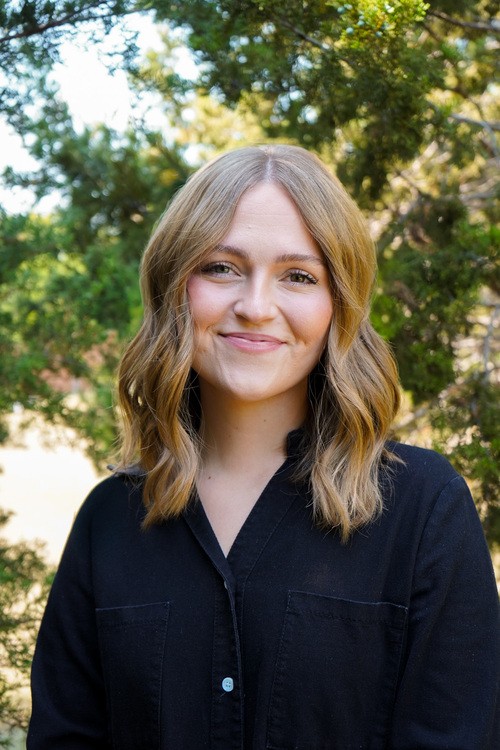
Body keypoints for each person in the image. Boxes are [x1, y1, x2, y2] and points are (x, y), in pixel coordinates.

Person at [28, 145, 499, 749]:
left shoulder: (424, 510)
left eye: (298, 276)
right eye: (221, 267)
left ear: (339, 305)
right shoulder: (108, 522)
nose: (255, 307)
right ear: (175, 287)